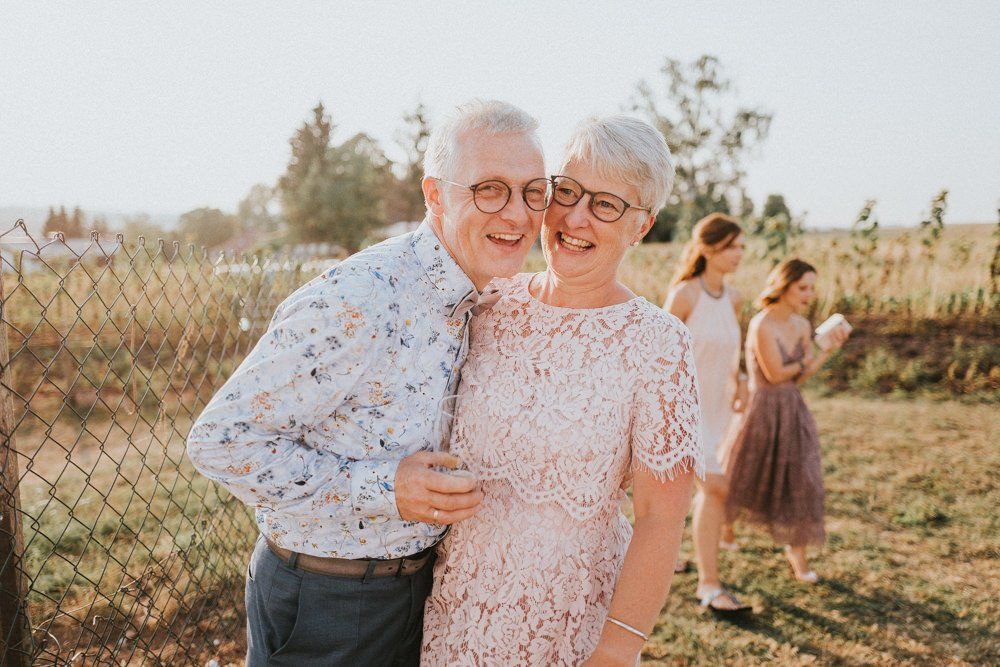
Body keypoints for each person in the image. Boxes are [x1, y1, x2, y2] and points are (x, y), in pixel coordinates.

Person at [186, 99, 550, 666]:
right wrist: (387, 488)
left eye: (533, 191)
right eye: (490, 189)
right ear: (435, 195)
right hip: (330, 603)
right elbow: (222, 442)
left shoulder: (479, 297)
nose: (518, 214)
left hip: (421, 590)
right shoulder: (363, 297)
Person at [421, 116, 704, 666]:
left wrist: (619, 648)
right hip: (448, 611)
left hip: (570, 626)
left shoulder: (657, 344)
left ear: (641, 226)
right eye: (566, 192)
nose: (574, 218)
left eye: (606, 204)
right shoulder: (486, 305)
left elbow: (660, 517)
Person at [724, 258, 850, 583]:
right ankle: (725, 532)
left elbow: (799, 376)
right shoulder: (762, 324)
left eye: (812, 287)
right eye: (803, 287)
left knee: (800, 480)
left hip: (792, 409)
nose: (809, 294)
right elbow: (775, 374)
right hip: (761, 408)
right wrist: (802, 362)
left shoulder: (803, 325)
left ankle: (799, 560)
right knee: (746, 474)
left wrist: (825, 352)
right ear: (784, 286)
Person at [664, 213, 751, 614]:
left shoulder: (734, 298)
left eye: (740, 247)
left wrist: (744, 381)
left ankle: (674, 555)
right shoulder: (685, 295)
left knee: (691, 492)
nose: (739, 254)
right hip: (686, 410)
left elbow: (735, 348)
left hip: (721, 409)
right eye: (732, 246)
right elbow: (660, 355)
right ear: (709, 248)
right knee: (714, 489)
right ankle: (709, 585)